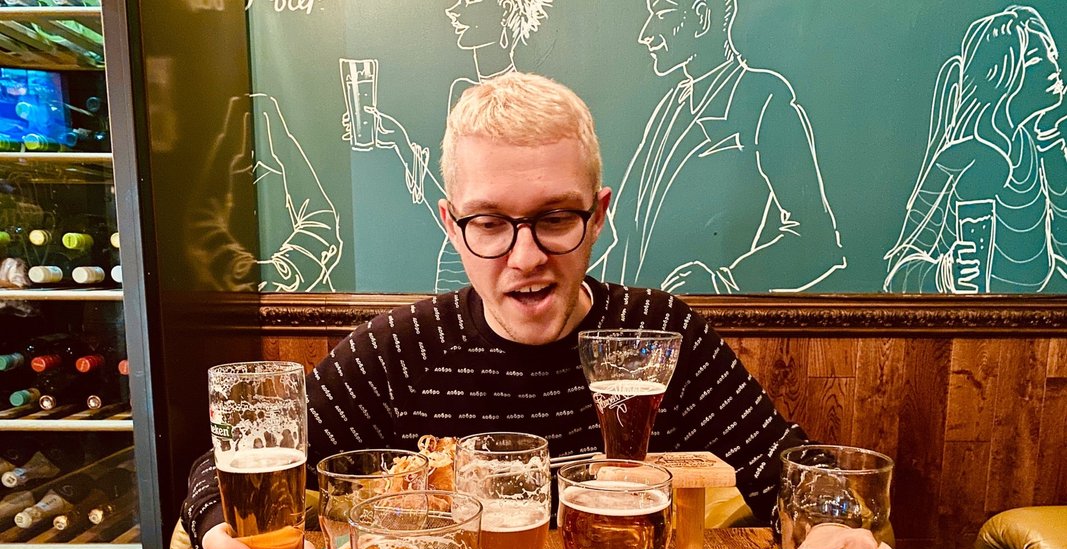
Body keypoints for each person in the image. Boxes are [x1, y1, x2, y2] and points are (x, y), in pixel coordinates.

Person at [182, 71, 909, 549]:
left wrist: (847, 534)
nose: (525, 257)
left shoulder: (662, 336)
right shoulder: (399, 349)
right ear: (451, 225)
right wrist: (226, 546)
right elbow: (216, 470)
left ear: (599, 214)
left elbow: (793, 471)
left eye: (555, 217)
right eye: (490, 222)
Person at [594, 0, 846, 293]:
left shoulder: (764, 99)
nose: (646, 34)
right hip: (638, 316)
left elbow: (816, 240)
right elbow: (626, 236)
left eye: (662, 14)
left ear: (702, 17)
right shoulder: (669, 108)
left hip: (707, 317)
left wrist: (724, 282)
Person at [366, 0, 553, 291]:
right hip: (456, 270)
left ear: (503, 14)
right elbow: (454, 204)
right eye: (489, 222)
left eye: (469, 3)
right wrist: (399, 142)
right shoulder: (461, 94)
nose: (454, 10)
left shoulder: (541, 107)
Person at [884, 5, 1067, 293]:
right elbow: (898, 274)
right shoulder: (958, 160)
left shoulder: (1037, 149)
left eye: (1052, 54)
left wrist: (1053, 150)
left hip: (1041, 316)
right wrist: (944, 274)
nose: (1053, 67)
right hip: (972, 317)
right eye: (1035, 59)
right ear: (1002, 76)